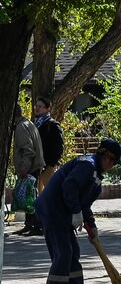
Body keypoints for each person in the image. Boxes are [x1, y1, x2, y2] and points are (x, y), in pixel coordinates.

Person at [34, 138, 121, 284]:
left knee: (73, 251)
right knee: (64, 252)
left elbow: (84, 203)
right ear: (107, 156)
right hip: (52, 210)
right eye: (114, 162)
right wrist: (75, 211)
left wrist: (92, 225)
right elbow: (69, 186)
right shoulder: (87, 165)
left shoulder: (95, 175)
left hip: (62, 211)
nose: (113, 166)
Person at [21, 97, 63, 236]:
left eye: (40, 106)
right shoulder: (34, 124)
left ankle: (41, 225)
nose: (37, 108)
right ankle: (30, 224)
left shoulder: (52, 125)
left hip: (46, 166)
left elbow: (58, 147)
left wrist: (51, 164)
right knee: (31, 194)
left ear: (47, 109)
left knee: (43, 196)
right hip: (33, 165)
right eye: (36, 106)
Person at [10, 106, 45, 232]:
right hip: (34, 165)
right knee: (28, 194)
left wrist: (24, 169)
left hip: (31, 166)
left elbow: (28, 150)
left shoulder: (21, 127)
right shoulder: (27, 123)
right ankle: (29, 224)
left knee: (30, 195)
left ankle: (36, 225)